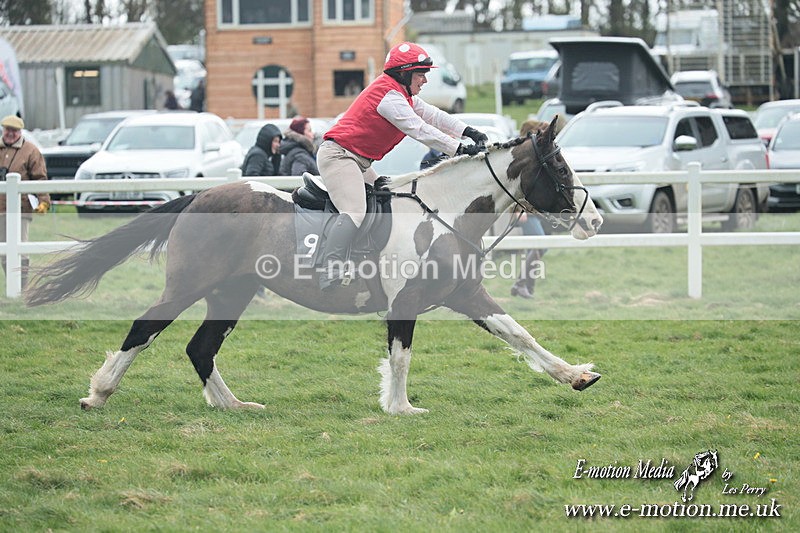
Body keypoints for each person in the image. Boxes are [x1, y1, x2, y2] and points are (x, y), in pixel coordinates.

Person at [316, 42, 488, 290]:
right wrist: (459, 148)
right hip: (340, 157)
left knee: (387, 200)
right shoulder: (389, 98)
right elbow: (419, 129)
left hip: (356, 160)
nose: (425, 80)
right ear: (404, 74)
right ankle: (329, 269)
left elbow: (434, 115)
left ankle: (368, 258)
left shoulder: (400, 94)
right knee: (355, 212)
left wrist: (469, 131)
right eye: (421, 74)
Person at [0, 115, 50, 289]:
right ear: (3, 130)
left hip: (21, 208)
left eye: (14, 131)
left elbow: (40, 178)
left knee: (20, 248)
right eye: (8, 130)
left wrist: (44, 201)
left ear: (20, 132)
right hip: (0, 208)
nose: (10, 133)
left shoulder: (31, 151)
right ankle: (12, 286)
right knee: (3, 250)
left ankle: (22, 287)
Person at [510, 119, 551, 299]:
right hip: (525, 210)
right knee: (539, 245)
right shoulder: (522, 155)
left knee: (536, 248)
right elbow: (516, 187)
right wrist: (519, 210)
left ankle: (526, 286)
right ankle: (521, 284)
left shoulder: (533, 154)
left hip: (534, 209)